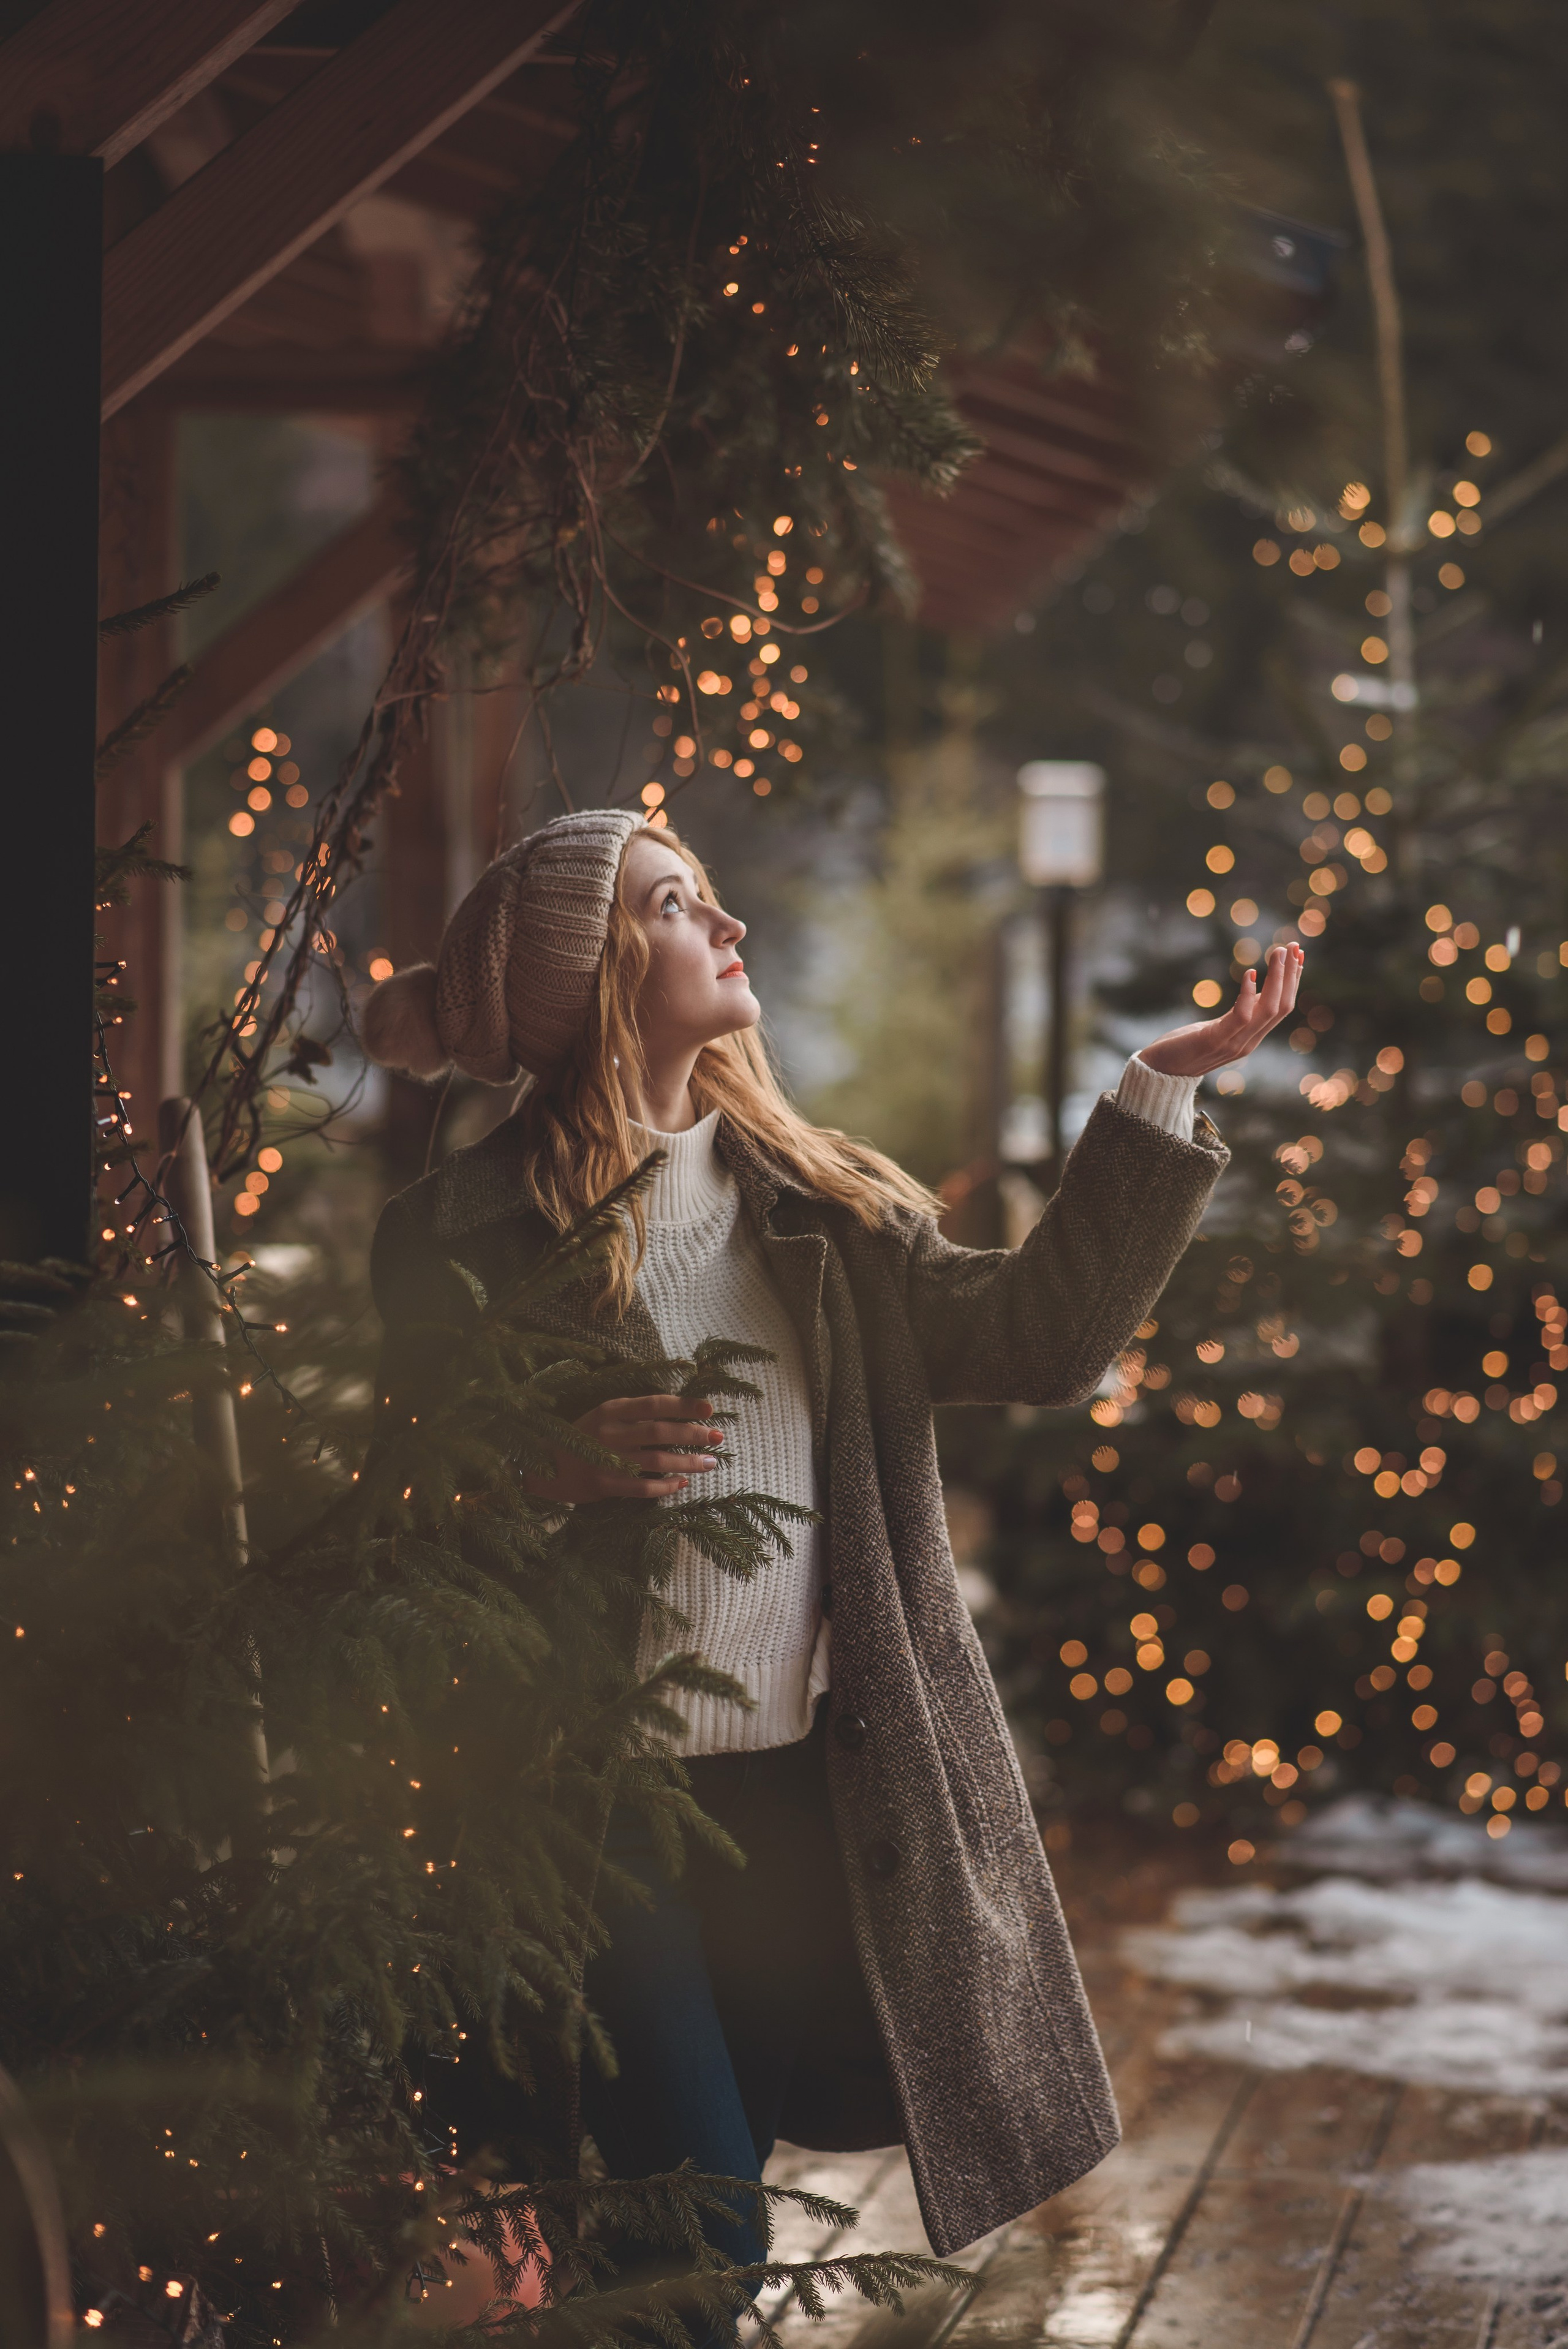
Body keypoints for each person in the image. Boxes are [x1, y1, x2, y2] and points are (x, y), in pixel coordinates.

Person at [363, 807, 1302, 2269]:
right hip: (588, 1808)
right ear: (593, 973)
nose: (726, 927)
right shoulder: (454, 1235)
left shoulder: (820, 1202)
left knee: (673, 2229)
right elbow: (391, 1524)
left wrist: (1152, 1097)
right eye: (678, 904)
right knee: (709, 2224)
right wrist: (530, 1468)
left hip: (809, 1799)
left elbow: (1043, 1338)